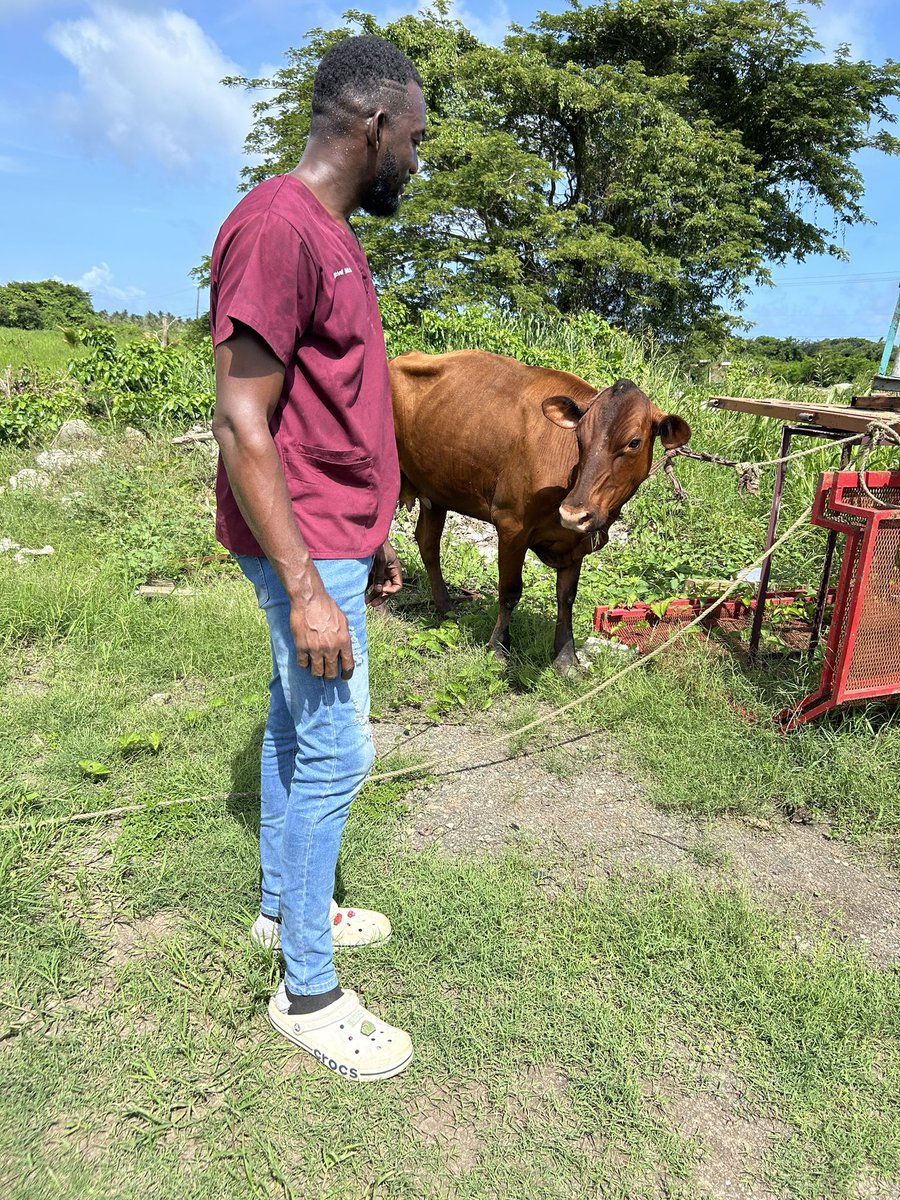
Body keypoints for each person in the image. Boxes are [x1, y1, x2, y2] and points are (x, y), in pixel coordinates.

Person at [210, 34, 426, 1082]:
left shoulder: (330, 232)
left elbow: (326, 408)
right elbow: (243, 422)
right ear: (374, 123)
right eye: (416, 138)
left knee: (298, 727)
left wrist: (373, 535)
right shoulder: (276, 229)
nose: (417, 161)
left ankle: (282, 907)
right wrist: (306, 588)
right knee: (341, 751)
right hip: (304, 545)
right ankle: (307, 988)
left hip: (339, 534)